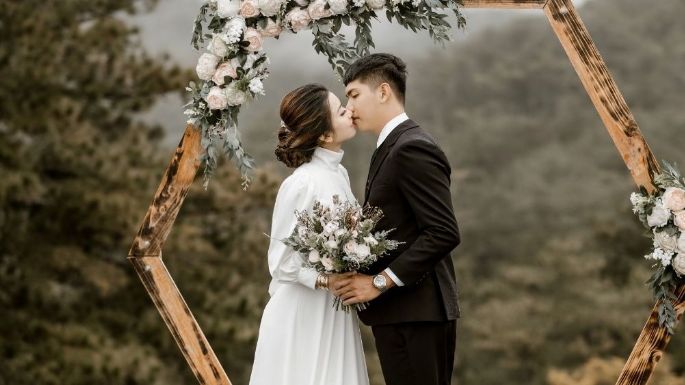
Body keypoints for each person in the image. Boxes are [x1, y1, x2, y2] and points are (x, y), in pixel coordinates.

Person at [332, 53, 462, 385]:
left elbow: (443, 232)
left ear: (384, 91)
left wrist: (378, 283)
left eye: (354, 94)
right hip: (401, 314)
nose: (349, 107)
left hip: (418, 313)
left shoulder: (411, 147)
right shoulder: (390, 146)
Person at [248, 83, 369, 385]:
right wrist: (327, 280)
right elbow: (279, 262)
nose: (350, 111)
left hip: (333, 310)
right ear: (325, 134)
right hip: (302, 313)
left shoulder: (338, 174)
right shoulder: (301, 184)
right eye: (341, 110)